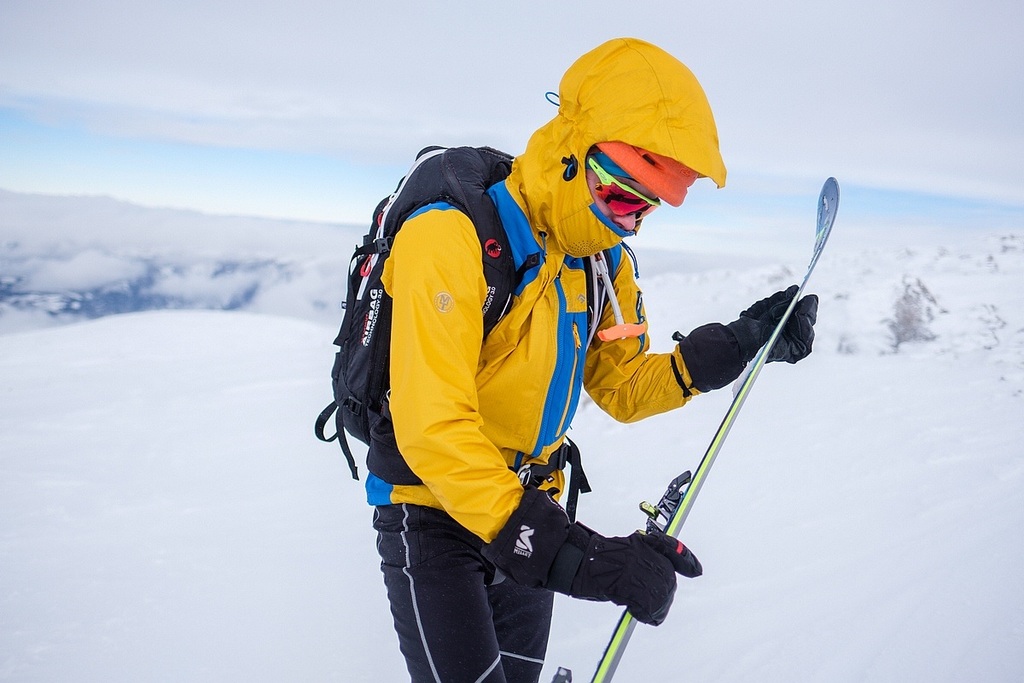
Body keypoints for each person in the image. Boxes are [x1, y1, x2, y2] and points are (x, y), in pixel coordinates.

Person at [369, 37, 818, 683]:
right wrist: (578, 557)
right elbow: (433, 429)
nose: (631, 222)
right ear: (574, 152)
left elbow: (625, 387)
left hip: (532, 499)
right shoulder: (450, 236)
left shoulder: (602, 263)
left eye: (647, 206)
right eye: (622, 194)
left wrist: (743, 340)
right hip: (432, 509)